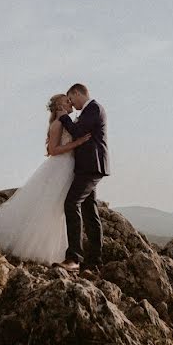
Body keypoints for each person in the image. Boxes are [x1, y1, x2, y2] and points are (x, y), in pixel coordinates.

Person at [0, 94, 92, 264]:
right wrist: (77, 143)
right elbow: (53, 150)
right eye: (67, 101)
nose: (70, 102)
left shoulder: (67, 122)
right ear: (59, 106)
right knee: (49, 206)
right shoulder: (58, 124)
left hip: (69, 168)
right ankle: (35, 246)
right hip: (60, 168)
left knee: (58, 210)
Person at [54, 83, 110, 273]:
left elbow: (78, 133)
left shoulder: (94, 108)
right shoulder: (89, 111)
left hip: (91, 166)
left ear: (78, 93)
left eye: (71, 98)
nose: (71, 103)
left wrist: (63, 118)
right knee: (89, 212)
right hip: (88, 166)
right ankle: (94, 261)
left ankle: (74, 258)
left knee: (71, 204)